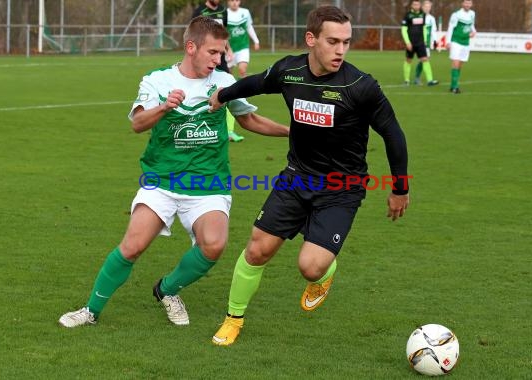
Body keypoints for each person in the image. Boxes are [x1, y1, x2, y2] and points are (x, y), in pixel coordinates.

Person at [58, 16, 288, 328]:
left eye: (222, 53)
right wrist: (164, 107)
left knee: (214, 246)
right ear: (191, 47)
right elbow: (137, 124)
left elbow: (249, 121)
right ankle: (90, 311)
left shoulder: (223, 84)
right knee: (132, 246)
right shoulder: (158, 81)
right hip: (161, 181)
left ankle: (166, 290)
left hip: (208, 183)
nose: (219, 60)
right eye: (212, 52)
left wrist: (293, 132)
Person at [207, 5, 410, 346]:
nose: (341, 50)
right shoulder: (291, 70)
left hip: (342, 188)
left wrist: (400, 188)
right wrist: (223, 95)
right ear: (311, 39)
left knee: (310, 266)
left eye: (346, 42)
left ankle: (324, 273)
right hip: (297, 177)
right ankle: (233, 319)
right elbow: (258, 83)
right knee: (257, 250)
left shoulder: (361, 86)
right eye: (333, 41)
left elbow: (393, 133)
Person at [192, 0, 244, 142]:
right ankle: (200, 127)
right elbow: (194, 35)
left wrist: (229, 49)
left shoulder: (223, 10)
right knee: (202, 90)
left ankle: (229, 130)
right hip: (204, 57)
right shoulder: (199, 12)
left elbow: (223, 34)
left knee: (229, 91)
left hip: (219, 58)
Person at [401, 0, 438, 86]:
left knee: (425, 59)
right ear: (412, 5)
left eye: (417, 4)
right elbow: (403, 30)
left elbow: (424, 28)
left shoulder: (422, 15)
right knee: (408, 60)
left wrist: (425, 40)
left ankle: (430, 80)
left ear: (420, 5)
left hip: (420, 42)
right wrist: (407, 42)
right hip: (411, 42)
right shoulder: (407, 15)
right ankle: (406, 80)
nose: (416, 6)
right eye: (414, 4)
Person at [447, 0, 476, 94]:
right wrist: (448, 42)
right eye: (466, 3)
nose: (467, 4)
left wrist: (474, 31)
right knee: (455, 63)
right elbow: (450, 28)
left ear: (471, 4)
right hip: (456, 41)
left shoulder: (472, 13)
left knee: (460, 65)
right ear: (462, 4)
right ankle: (455, 87)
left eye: (469, 3)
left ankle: (452, 86)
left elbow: (472, 25)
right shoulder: (456, 14)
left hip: (466, 42)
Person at [227, 0, 260, 78]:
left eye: (237, 0)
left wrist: (256, 41)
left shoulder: (245, 12)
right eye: (232, 0)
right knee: (228, 74)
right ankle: (231, 89)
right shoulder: (225, 13)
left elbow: (249, 27)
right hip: (229, 49)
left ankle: (244, 89)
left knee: (242, 70)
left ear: (240, 1)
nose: (234, 2)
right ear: (228, 2)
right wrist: (227, 48)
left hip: (243, 46)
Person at [414, 0, 438, 85]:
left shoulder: (431, 18)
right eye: (426, 6)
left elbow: (433, 31)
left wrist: (435, 41)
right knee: (425, 59)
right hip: (418, 42)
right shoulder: (417, 17)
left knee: (423, 60)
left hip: (427, 43)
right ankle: (430, 80)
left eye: (429, 7)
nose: (427, 8)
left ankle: (416, 78)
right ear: (422, 7)